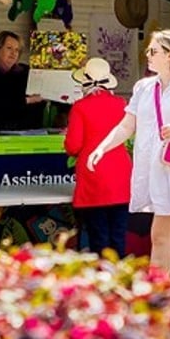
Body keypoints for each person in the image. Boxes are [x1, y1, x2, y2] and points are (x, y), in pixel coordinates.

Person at [87, 29, 170, 280]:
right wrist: (102, 147)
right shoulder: (144, 88)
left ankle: (153, 300)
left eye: (153, 51)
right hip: (153, 168)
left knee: (160, 236)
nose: (147, 55)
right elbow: (127, 125)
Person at [64, 57, 131, 257]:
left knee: (98, 237)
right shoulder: (121, 104)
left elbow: (73, 145)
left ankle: (102, 282)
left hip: (94, 178)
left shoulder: (80, 107)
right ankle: (119, 281)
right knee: (118, 236)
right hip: (121, 175)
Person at [0, 31, 44, 131]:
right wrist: (28, 100)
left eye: (17, 50)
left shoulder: (25, 72)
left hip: (26, 134)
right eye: (9, 48)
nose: (13, 53)